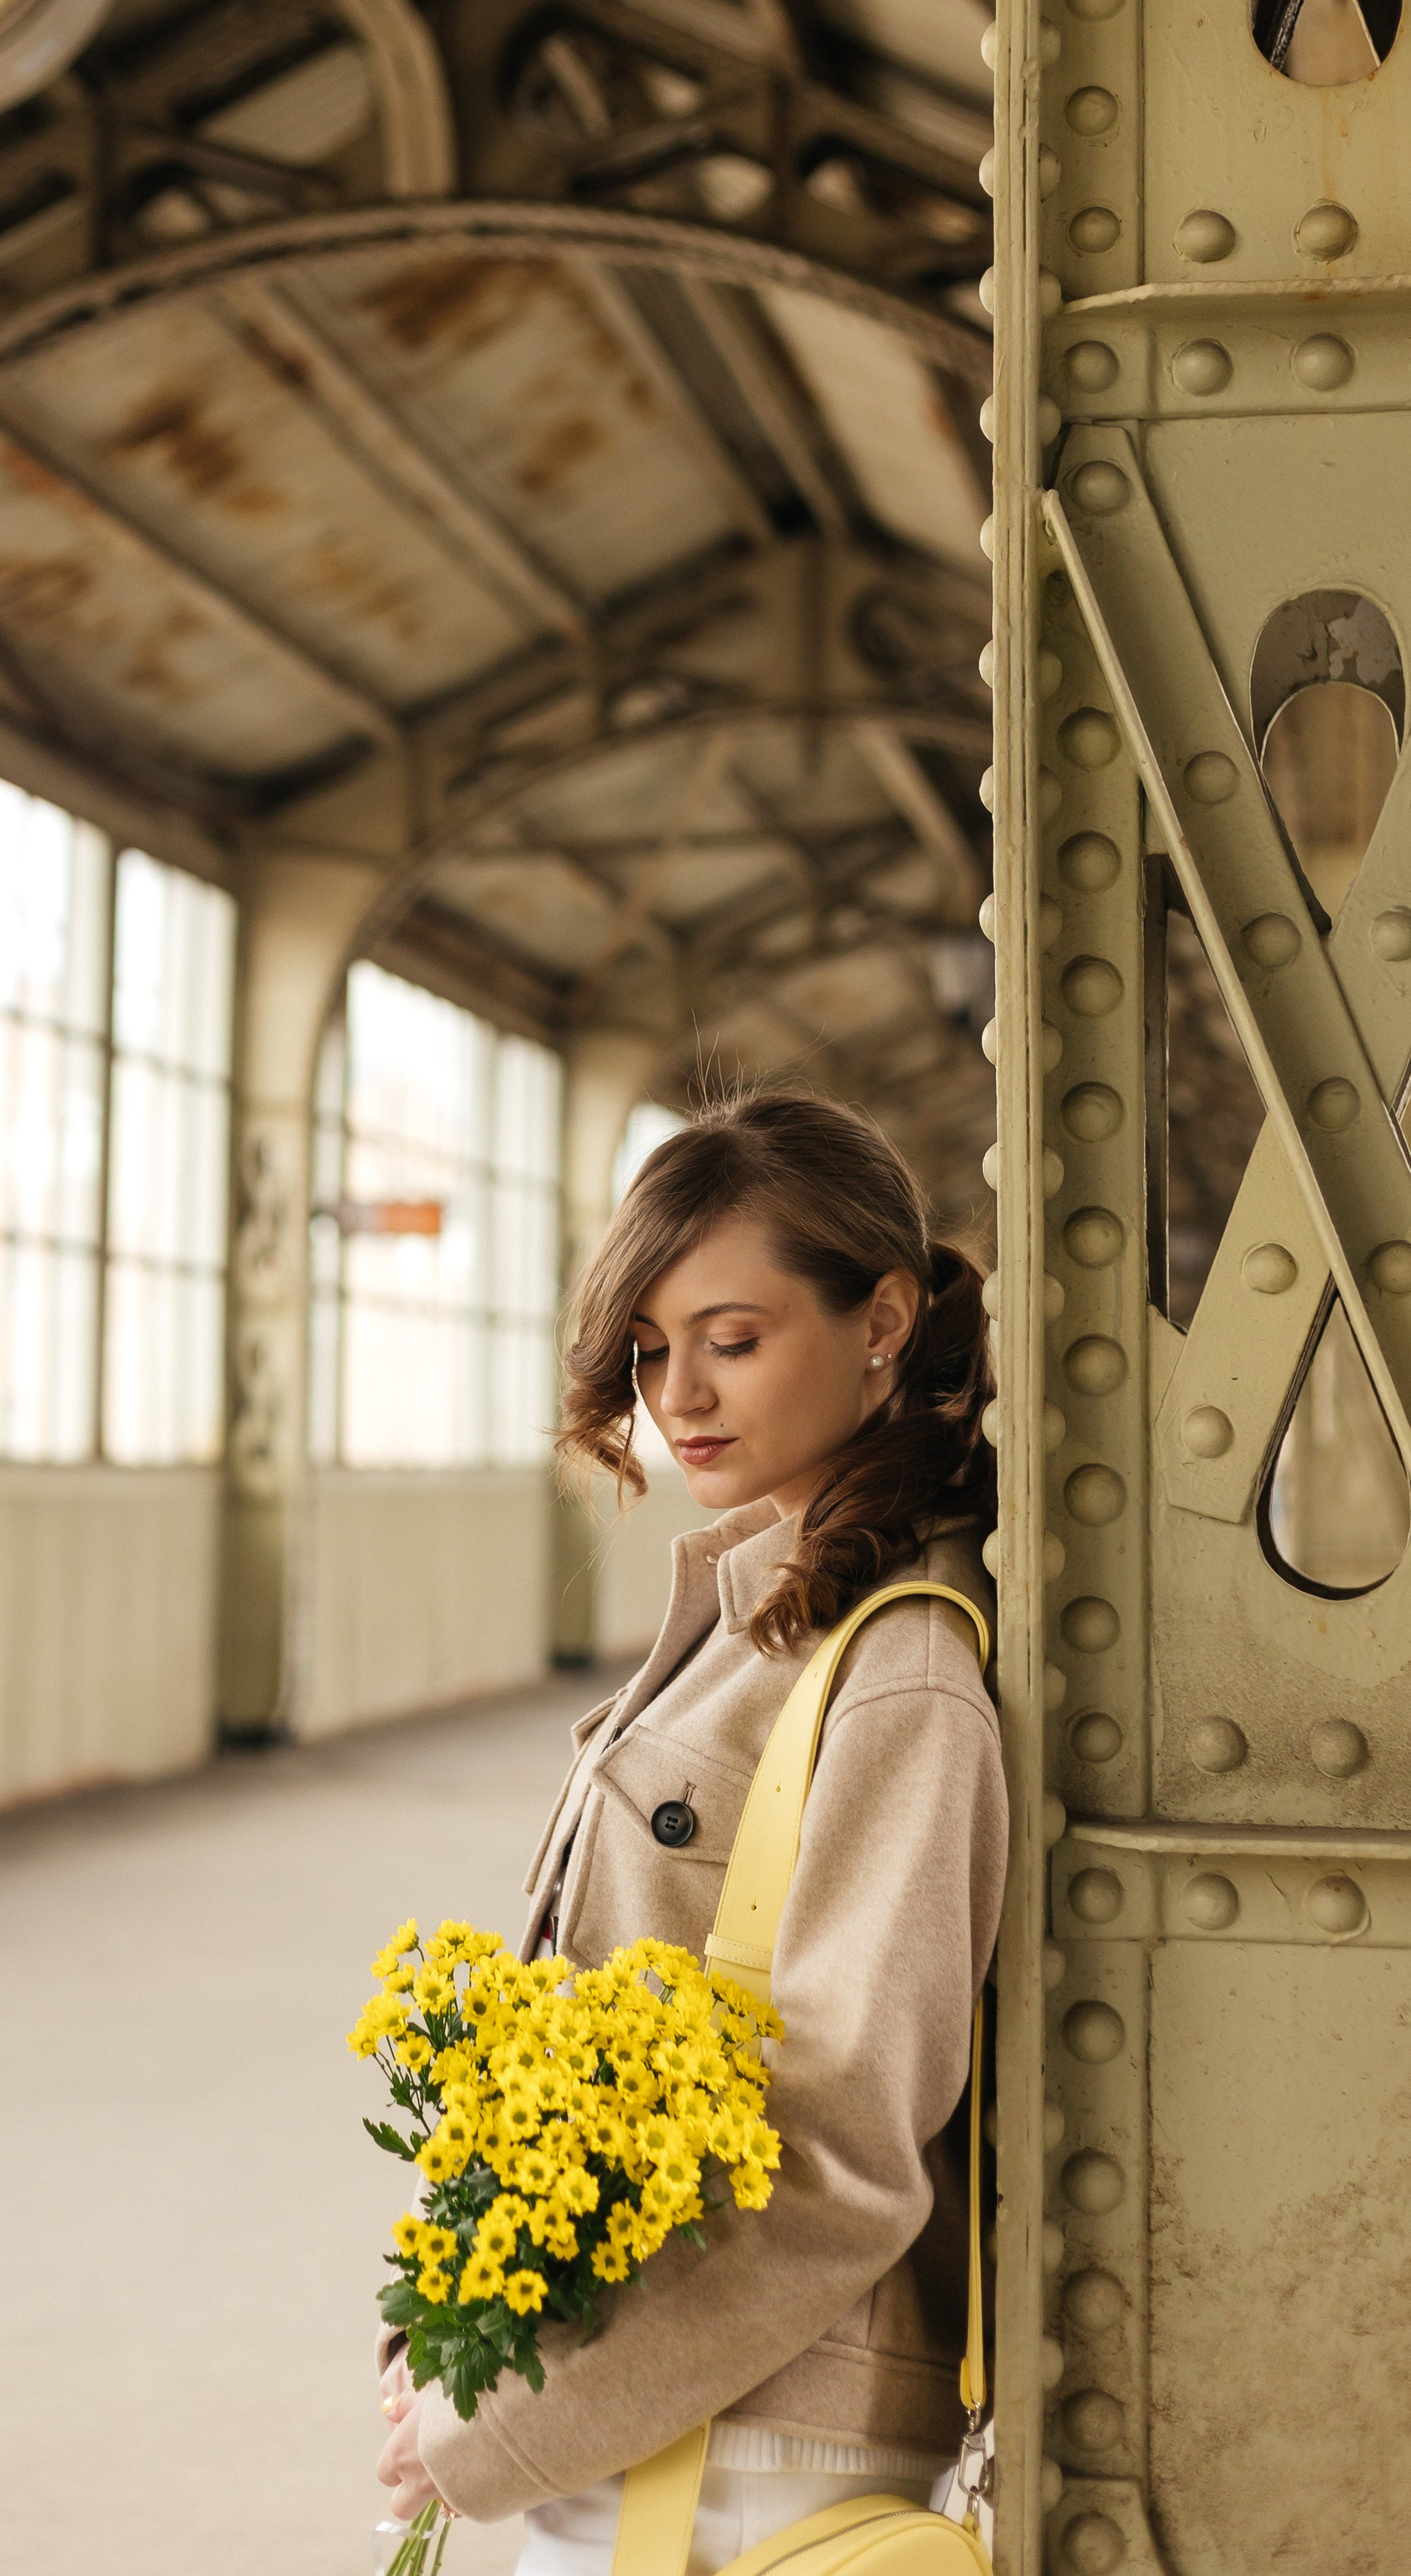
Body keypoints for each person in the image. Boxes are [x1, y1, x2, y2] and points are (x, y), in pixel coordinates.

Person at [375, 1085, 1007, 2572]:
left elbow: (837, 2150)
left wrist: (498, 2421)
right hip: (643, 2407)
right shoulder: (755, 1616)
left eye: (732, 1339)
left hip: (746, 2448)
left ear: (881, 1321)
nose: (680, 1397)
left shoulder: (893, 1669)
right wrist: (461, 2325)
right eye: (652, 1352)